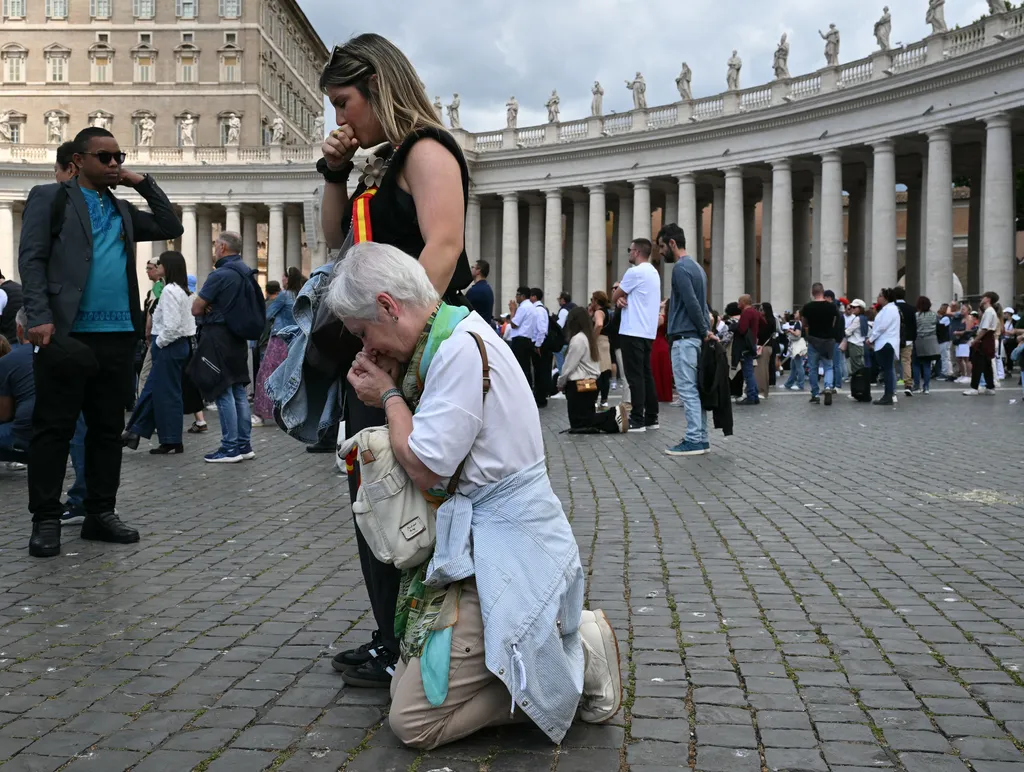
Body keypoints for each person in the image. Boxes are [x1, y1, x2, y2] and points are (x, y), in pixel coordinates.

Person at [328, 241, 622, 750]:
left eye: (363, 332)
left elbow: (424, 467)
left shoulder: (458, 352)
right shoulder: (454, 335)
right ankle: (536, 655)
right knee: (404, 684)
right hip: (491, 541)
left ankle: (573, 669)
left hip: (502, 551)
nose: (366, 346)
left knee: (413, 723)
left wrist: (389, 396)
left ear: (387, 307)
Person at [316, 33, 474, 688]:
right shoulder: (378, 165)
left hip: (413, 349)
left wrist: (393, 341)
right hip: (378, 348)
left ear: (378, 85)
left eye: (345, 102)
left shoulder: (429, 149)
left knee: (420, 491)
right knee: (377, 492)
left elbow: (444, 245)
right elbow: (337, 243)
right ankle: (392, 634)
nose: (340, 120)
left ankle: (429, 636)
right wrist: (333, 174)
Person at [19, 126, 183, 558]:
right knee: (53, 429)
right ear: (77, 161)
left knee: (108, 431)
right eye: (105, 158)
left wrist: (140, 182)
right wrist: (38, 316)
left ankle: (99, 513)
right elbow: (31, 258)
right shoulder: (50, 198)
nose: (114, 164)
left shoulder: (122, 209)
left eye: (118, 157)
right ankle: (47, 519)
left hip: (117, 336)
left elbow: (171, 224)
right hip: (65, 333)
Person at [190, 232, 257, 463]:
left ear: (222, 247)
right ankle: (244, 445)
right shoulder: (246, 272)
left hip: (219, 337)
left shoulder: (220, 274)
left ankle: (230, 448)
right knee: (238, 390)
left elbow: (196, 308)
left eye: (215, 245)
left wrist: (207, 304)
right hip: (238, 337)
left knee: (223, 390)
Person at [122, 251, 196, 454]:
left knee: (166, 394)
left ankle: (170, 439)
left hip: (168, 345)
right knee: (155, 391)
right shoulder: (181, 290)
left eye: (161, 263)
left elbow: (172, 326)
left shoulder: (170, 291)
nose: (157, 266)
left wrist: (160, 343)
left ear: (168, 266)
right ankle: (135, 431)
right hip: (175, 345)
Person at [657, 223, 712, 456]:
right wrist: (705, 330)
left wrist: (703, 330)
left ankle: (693, 439)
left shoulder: (680, 269)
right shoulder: (698, 268)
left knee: (687, 390)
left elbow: (691, 303)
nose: (660, 252)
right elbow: (702, 304)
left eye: (661, 246)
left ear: (672, 243)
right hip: (694, 338)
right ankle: (701, 437)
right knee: (695, 390)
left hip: (684, 338)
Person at [612, 238, 661, 431]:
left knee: (635, 377)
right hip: (647, 331)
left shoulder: (634, 272)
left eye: (630, 250)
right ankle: (651, 417)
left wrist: (620, 297)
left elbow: (615, 295)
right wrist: (624, 298)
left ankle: (638, 419)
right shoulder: (654, 273)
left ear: (637, 252)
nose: (629, 253)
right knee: (646, 375)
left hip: (632, 330)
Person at [557, 307, 628, 433]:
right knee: (585, 420)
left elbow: (569, 366)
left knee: (579, 423)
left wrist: (561, 382)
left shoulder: (578, 339)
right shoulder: (589, 338)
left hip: (578, 384)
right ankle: (613, 421)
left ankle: (612, 414)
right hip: (590, 383)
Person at [253, 268, 304, 422]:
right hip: (296, 340)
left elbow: (268, 315)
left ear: (288, 279)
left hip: (279, 339)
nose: (282, 278)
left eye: (284, 276)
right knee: (289, 376)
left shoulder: (284, 295)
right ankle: (288, 414)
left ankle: (261, 413)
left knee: (267, 375)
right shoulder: (300, 293)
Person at [801, 283, 841, 406]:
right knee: (829, 366)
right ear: (823, 292)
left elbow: (804, 324)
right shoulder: (832, 307)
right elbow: (835, 322)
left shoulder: (807, 307)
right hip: (828, 340)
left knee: (813, 368)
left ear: (813, 293)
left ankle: (815, 394)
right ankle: (828, 386)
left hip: (814, 340)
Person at [0, 309, 33, 456]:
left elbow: (4, 414)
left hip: (26, 432)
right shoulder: (64, 353)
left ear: (19, 328)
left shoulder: (8, 362)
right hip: (64, 428)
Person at [866, 288, 900, 406]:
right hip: (885, 342)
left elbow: (882, 327)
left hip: (886, 342)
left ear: (886, 297)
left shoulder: (890, 309)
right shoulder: (888, 309)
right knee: (887, 370)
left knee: (888, 370)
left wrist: (871, 339)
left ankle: (888, 395)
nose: (878, 297)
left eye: (880, 295)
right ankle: (888, 394)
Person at [964, 291, 1001, 396]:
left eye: (983, 297)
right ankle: (990, 387)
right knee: (986, 365)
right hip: (988, 338)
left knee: (977, 364)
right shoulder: (991, 311)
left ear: (988, 299)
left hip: (985, 338)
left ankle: (974, 387)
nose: (981, 299)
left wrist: (976, 340)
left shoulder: (989, 311)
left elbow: (984, 329)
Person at [507, 286, 537, 388]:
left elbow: (514, 324)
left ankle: (521, 388)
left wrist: (512, 311)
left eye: (517, 295)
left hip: (520, 341)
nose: (516, 297)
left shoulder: (523, 307)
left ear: (523, 296)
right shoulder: (532, 307)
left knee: (519, 367)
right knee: (526, 367)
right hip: (527, 339)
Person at [529, 287, 553, 408]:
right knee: (539, 371)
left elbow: (542, 329)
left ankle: (541, 398)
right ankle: (540, 396)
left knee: (540, 371)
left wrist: (538, 345)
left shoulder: (538, 310)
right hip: (540, 344)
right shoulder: (539, 309)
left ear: (534, 297)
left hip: (540, 345)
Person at [589, 291, 614, 408]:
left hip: (599, 341)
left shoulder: (599, 312)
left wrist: (592, 338)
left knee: (597, 371)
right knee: (605, 373)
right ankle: (604, 400)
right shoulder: (607, 312)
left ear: (596, 300)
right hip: (606, 341)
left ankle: (594, 400)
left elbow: (599, 324)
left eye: (592, 300)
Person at [912, 296, 939, 395]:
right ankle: (926, 387)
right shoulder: (933, 315)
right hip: (931, 340)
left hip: (918, 340)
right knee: (927, 365)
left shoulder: (916, 315)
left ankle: (916, 385)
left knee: (916, 364)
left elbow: (914, 327)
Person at [893, 285, 917, 396]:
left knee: (893, 362)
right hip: (908, 339)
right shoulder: (911, 308)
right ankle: (908, 385)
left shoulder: (892, 307)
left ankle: (892, 383)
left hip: (894, 338)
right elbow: (914, 325)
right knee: (906, 362)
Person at [651, 299, 674, 404]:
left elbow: (652, 328)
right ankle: (665, 394)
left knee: (656, 369)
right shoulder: (668, 317)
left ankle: (658, 393)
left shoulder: (661, 318)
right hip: (663, 343)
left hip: (657, 343)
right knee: (663, 369)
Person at [464, 259, 494, 327]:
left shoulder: (475, 291)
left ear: (478, 271)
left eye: (472, 267)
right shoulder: (487, 288)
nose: (471, 269)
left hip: (475, 329)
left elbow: (462, 310)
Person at [783, 310, 807, 391]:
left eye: (796, 313)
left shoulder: (798, 323)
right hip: (797, 346)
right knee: (793, 366)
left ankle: (800, 384)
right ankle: (788, 384)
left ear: (800, 315)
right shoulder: (799, 323)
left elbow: (797, 334)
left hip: (797, 346)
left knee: (798, 366)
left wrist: (790, 331)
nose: (795, 314)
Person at [845, 299, 869, 375]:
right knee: (860, 365)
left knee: (856, 368)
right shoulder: (864, 318)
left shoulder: (857, 319)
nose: (852, 308)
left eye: (854, 307)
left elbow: (848, 331)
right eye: (851, 307)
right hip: (860, 344)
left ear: (860, 308)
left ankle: (859, 384)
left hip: (854, 344)